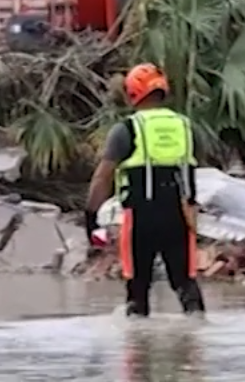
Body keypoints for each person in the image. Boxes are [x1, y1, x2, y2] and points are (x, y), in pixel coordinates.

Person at [84, 63, 206, 317]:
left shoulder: (126, 129)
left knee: (137, 290)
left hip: (141, 218)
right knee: (186, 285)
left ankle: (138, 350)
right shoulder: (187, 127)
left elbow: (102, 177)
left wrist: (91, 217)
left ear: (132, 93)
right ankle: (194, 348)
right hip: (180, 217)